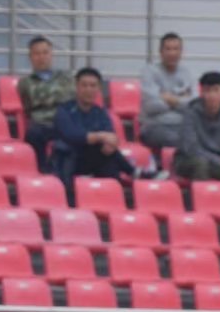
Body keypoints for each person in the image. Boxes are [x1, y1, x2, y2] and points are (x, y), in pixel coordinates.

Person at [51, 68, 136, 194]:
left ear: (99, 89)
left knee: (108, 158)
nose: (88, 90)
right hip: (69, 158)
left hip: (94, 158)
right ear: (77, 87)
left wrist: (109, 144)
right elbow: (72, 136)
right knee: (95, 149)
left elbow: (111, 136)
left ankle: (112, 200)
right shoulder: (64, 110)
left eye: (93, 86)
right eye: (84, 85)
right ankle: (133, 171)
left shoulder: (101, 112)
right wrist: (100, 136)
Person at [18, 36, 75, 170]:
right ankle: (41, 171)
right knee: (33, 133)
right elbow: (30, 104)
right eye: (37, 53)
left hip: (63, 121)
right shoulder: (25, 82)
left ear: (51, 54)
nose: (41, 57)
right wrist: (55, 97)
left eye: (45, 52)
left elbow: (69, 97)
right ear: (30, 57)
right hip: (41, 123)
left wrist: (45, 98)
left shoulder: (66, 77)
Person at [138, 32, 195, 154]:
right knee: (180, 141)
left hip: (182, 126)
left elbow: (193, 106)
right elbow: (151, 107)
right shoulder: (149, 72)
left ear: (181, 52)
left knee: (198, 138)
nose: (172, 53)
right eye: (168, 49)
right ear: (161, 52)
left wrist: (167, 98)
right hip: (154, 127)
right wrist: (180, 99)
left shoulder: (187, 73)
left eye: (176, 49)